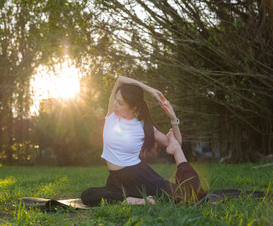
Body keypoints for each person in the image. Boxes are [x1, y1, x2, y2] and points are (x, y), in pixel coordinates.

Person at [80, 75, 207, 206]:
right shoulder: (111, 115)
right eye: (115, 100)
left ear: (134, 108)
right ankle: (133, 200)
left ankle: (131, 199)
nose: (114, 104)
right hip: (116, 180)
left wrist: (173, 118)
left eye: (120, 103)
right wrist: (151, 90)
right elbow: (120, 80)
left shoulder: (143, 126)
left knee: (193, 196)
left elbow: (176, 145)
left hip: (140, 177)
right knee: (88, 195)